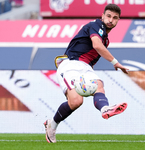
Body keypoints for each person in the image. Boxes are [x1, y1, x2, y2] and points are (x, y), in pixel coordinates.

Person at [44, 4, 129, 143]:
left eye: (115, 18)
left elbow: (96, 48)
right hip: (70, 65)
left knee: (96, 87)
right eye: (108, 16)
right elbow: (96, 45)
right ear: (102, 16)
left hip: (85, 68)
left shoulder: (106, 39)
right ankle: (52, 126)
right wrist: (115, 62)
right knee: (77, 100)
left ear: (118, 21)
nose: (111, 20)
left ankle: (105, 109)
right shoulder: (96, 25)